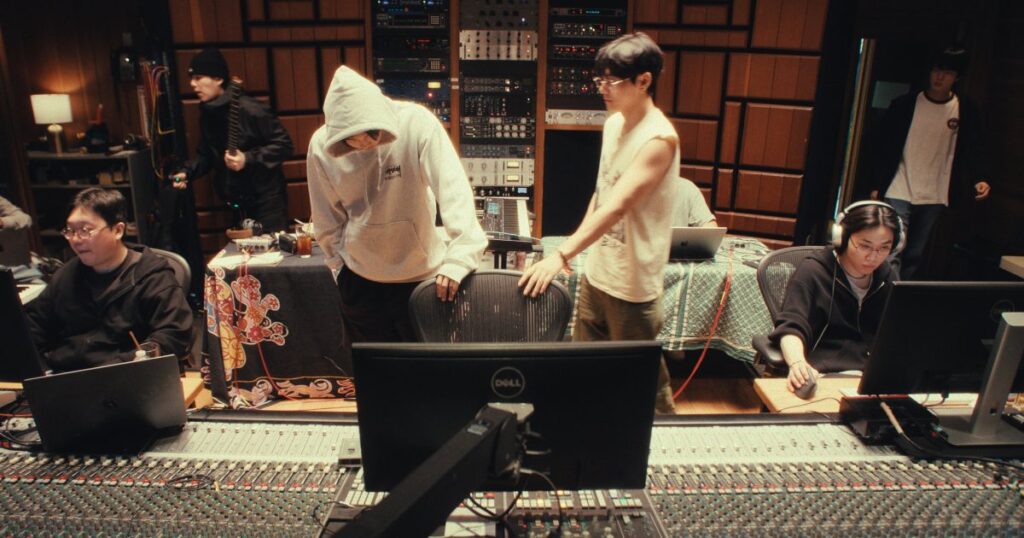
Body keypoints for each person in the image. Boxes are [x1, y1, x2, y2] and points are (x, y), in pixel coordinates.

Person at [518, 33, 679, 414]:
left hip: (633, 286)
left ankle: (667, 439)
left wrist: (562, 254)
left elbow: (618, 206)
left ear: (644, 81)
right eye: (599, 80)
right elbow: (602, 192)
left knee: (643, 385)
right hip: (598, 274)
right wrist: (578, 246)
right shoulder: (614, 123)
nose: (602, 88)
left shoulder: (659, 139)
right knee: (586, 370)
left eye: (612, 81)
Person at [306, 66, 487, 355]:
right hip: (360, 279)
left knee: (429, 370)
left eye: (370, 134)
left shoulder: (416, 123)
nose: (364, 143)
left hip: (423, 276)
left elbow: (454, 191)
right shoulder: (321, 146)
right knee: (372, 373)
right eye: (352, 138)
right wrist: (338, 267)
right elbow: (326, 215)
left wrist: (460, 258)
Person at [25, 188, 193, 372]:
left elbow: (173, 335)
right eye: (70, 231)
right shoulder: (67, 275)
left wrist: (120, 366)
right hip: (69, 377)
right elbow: (33, 328)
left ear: (118, 230)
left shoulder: (152, 276)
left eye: (85, 230)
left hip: (129, 376)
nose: (75, 239)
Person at [866, 46, 989, 280]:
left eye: (947, 73)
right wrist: (876, 183)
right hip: (899, 185)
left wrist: (979, 178)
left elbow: (973, 147)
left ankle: (900, 294)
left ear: (956, 78)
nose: (939, 77)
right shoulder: (905, 104)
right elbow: (881, 145)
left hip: (935, 191)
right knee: (895, 246)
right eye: (936, 70)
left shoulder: (964, 110)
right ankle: (887, 295)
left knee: (915, 252)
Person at [769, 201, 902, 395]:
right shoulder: (813, 272)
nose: (874, 257)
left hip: (871, 378)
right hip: (824, 375)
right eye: (865, 246)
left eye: (884, 248)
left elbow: (899, 331)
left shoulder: (886, 276)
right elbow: (791, 326)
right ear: (842, 237)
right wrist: (797, 363)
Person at [173, 47, 294, 232]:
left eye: (198, 78)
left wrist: (247, 158)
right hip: (238, 202)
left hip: (267, 202)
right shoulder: (208, 113)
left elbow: (285, 145)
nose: (192, 84)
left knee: (272, 249)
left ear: (218, 79)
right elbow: (207, 155)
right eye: (192, 78)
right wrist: (186, 173)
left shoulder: (251, 109)